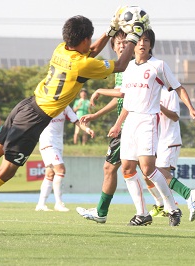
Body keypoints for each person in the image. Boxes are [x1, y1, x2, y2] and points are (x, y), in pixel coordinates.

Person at [0, 12, 151, 235]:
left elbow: (90, 52)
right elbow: (121, 65)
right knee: (6, 170)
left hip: (26, 105)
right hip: (34, 119)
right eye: (90, 38)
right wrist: (134, 35)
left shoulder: (62, 49)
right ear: (84, 40)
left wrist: (111, 30)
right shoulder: (81, 66)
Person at [106, 29, 195, 226]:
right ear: (132, 45)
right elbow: (127, 100)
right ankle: (141, 214)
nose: (142, 43)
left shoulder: (158, 65)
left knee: (148, 169)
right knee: (126, 168)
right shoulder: (128, 68)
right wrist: (117, 125)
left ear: (151, 45)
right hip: (130, 122)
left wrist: (191, 109)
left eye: (146, 40)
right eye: (139, 40)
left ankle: (173, 209)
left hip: (148, 121)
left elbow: (178, 87)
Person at [76, 30, 128, 224]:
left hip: (132, 125)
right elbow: (119, 96)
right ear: (113, 47)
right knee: (143, 170)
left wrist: (99, 90)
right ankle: (167, 207)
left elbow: (124, 95)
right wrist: (96, 115)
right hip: (130, 125)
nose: (122, 45)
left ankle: (101, 212)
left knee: (113, 168)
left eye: (125, 42)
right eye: (118, 43)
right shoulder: (122, 70)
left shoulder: (132, 67)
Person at [145, 86, 195, 222]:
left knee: (158, 173)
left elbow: (175, 117)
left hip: (169, 140)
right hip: (156, 140)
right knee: (147, 173)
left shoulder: (169, 92)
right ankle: (163, 205)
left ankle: (187, 194)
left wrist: (160, 107)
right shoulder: (150, 91)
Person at [36, 106, 94, 212]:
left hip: (58, 144)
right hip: (48, 142)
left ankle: (41, 204)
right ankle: (58, 203)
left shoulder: (65, 106)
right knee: (61, 170)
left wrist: (87, 129)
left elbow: (76, 121)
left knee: (50, 174)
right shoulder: (47, 104)